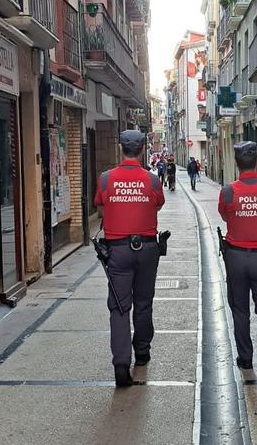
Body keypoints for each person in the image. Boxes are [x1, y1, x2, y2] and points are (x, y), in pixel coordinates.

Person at [94, 130, 165, 387]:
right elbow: (157, 205)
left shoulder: (105, 179)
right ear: (143, 149)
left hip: (118, 250)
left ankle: (121, 364)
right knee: (144, 302)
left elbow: (101, 207)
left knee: (119, 306)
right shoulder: (153, 180)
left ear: (120, 148)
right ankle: (142, 353)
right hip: (147, 249)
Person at [218, 141, 257, 383]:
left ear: (236, 163)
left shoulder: (227, 191)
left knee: (240, 309)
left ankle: (245, 357)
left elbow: (225, 216)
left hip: (235, 257)